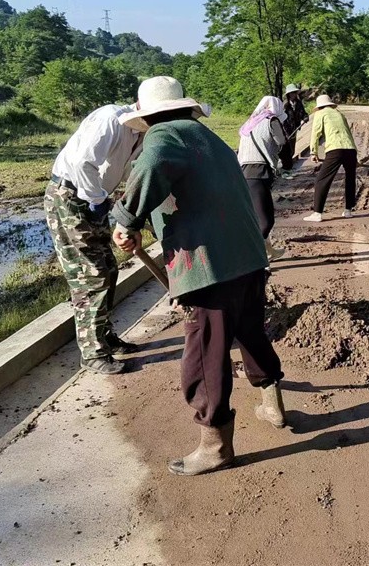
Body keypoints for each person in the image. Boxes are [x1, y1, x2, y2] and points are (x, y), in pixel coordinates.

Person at [110, 77, 286, 476]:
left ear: (148, 116)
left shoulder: (163, 136)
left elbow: (151, 166)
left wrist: (125, 220)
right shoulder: (207, 139)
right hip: (246, 257)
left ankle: (215, 446)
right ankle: (272, 404)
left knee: (205, 356)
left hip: (210, 267)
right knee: (250, 332)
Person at [44, 87, 148, 375]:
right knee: (91, 274)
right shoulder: (111, 120)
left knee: (109, 269)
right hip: (70, 197)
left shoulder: (141, 134)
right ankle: (92, 352)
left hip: (95, 198)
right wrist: (97, 200)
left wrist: (126, 215)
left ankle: (104, 335)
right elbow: (82, 163)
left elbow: (130, 173)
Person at [238, 95, 288, 263]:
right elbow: (282, 142)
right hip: (259, 172)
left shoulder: (250, 123)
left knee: (257, 216)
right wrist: (286, 162)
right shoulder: (272, 120)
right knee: (266, 221)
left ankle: (269, 252)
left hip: (243, 172)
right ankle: (252, 258)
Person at [303, 94, 358, 222]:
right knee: (350, 179)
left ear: (319, 106)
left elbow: (315, 134)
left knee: (322, 180)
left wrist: (313, 152)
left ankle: (317, 213)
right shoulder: (339, 114)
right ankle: (348, 210)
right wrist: (355, 156)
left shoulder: (320, 114)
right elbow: (348, 133)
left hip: (335, 149)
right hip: (350, 149)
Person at [279, 84, 308, 177]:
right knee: (286, 151)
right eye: (292, 93)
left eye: (295, 92)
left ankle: (288, 168)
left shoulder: (298, 103)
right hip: (285, 130)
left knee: (292, 150)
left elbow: (303, 113)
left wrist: (305, 117)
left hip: (294, 129)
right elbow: (282, 119)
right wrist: (285, 131)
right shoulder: (285, 105)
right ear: (288, 94)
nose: (294, 94)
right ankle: (285, 169)